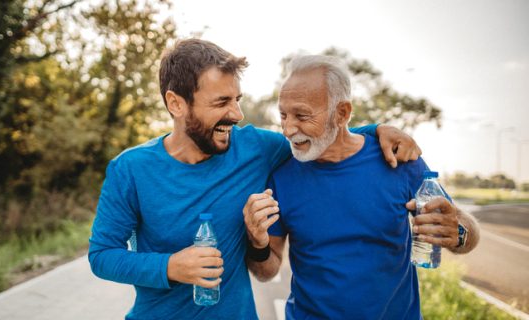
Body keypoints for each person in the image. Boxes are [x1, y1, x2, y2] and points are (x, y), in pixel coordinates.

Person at [88, 39, 422, 319]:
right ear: (176, 104)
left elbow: (323, 138)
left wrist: (376, 131)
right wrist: (169, 267)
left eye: (237, 100)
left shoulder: (257, 149)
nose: (236, 114)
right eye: (221, 102)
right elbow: (102, 255)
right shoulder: (130, 169)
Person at [244, 55, 480, 319]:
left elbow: (466, 231)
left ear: (342, 113)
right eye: (283, 115)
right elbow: (267, 271)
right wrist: (258, 243)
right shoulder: (281, 176)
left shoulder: (399, 160)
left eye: (301, 115)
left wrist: (458, 233)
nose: (288, 129)